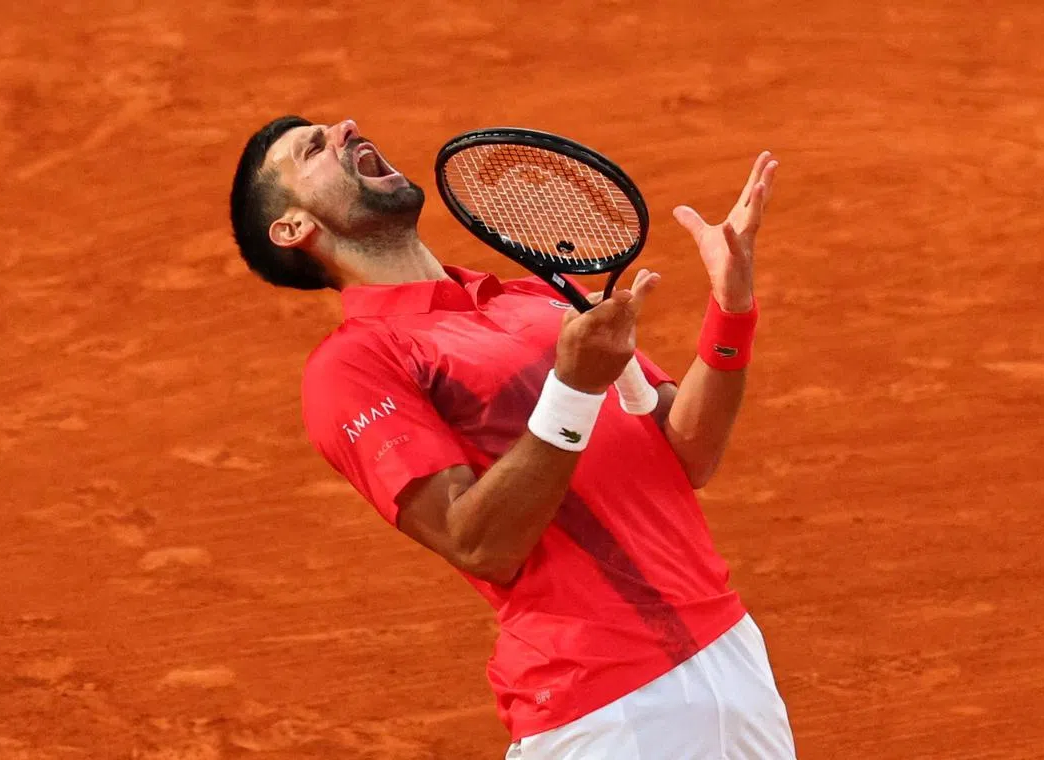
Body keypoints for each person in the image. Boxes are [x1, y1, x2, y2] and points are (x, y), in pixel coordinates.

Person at [229, 115, 795, 759]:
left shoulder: (532, 297)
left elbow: (686, 452)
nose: (345, 128)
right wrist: (575, 388)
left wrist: (732, 305)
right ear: (294, 228)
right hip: (603, 708)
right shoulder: (355, 363)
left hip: (733, 656)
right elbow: (477, 543)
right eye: (312, 148)